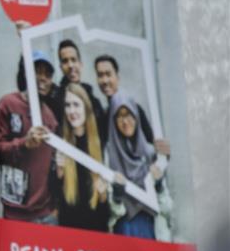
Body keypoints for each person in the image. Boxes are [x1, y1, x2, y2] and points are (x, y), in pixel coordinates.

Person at [0, 51, 59, 224]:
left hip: (47, 214)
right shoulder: (8, 104)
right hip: (16, 214)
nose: (43, 78)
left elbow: (51, 165)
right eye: (37, 71)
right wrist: (24, 144)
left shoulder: (50, 118)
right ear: (26, 73)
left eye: (48, 74)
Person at [106, 92, 172, 240]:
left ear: (136, 116)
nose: (125, 121)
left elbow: (167, 209)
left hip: (153, 229)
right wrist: (117, 197)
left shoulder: (152, 154)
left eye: (129, 114)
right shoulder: (109, 156)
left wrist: (159, 186)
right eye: (119, 116)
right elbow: (110, 212)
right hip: (124, 231)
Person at [53, 83, 110, 232]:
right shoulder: (60, 143)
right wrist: (59, 173)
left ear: (86, 107)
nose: (72, 111)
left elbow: (106, 209)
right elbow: (56, 198)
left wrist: (103, 194)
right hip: (70, 229)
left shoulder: (100, 142)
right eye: (68, 105)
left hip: (97, 228)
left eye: (76, 104)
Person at [94, 54, 171, 156]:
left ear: (117, 77)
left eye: (108, 74)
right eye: (100, 75)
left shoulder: (134, 109)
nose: (105, 81)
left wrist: (163, 152)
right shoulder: (104, 115)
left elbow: (153, 145)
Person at [55, 40, 105, 143]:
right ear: (61, 67)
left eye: (73, 60)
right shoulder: (55, 99)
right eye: (65, 61)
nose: (70, 65)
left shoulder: (93, 100)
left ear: (80, 64)